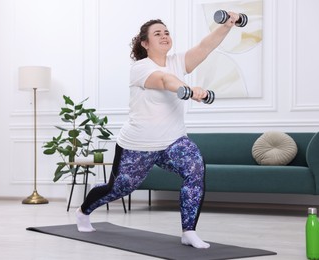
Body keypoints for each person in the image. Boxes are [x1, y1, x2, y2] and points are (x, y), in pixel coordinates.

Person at [76, 12, 240, 249]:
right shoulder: (141, 68)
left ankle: (189, 231)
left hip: (173, 142)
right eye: (157, 34)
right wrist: (189, 90)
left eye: (166, 32)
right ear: (145, 43)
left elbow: (205, 47)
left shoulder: (177, 61)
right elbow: (164, 81)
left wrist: (227, 25)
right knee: (119, 188)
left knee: (195, 170)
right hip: (138, 145)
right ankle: (83, 211)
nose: (164, 36)